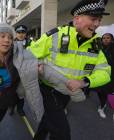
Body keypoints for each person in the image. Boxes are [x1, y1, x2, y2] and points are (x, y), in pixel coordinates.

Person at [28, 0, 111, 139]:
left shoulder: (96, 45)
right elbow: (29, 55)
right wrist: (35, 65)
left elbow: (105, 72)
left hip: (68, 94)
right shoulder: (55, 36)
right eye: (93, 19)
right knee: (62, 134)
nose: (97, 24)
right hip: (49, 90)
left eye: (99, 20)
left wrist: (84, 82)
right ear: (77, 19)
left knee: (48, 122)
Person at [96, 33, 114, 118]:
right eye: (103, 38)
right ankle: (102, 103)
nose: (105, 40)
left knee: (105, 92)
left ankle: (101, 107)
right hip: (100, 74)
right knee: (100, 92)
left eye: (108, 38)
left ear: (112, 40)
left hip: (111, 75)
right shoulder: (99, 48)